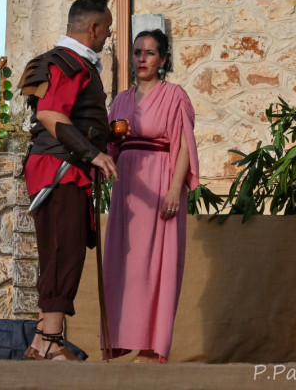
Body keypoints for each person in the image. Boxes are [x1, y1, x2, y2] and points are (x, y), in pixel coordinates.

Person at [17, 0, 119, 361]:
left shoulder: (75, 64)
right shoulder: (67, 63)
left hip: (66, 169)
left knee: (63, 250)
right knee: (64, 251)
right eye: (106, 29)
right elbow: (49, 114)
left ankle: (41, 339)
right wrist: (94, 153)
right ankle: (50, 341)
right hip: (60, 169)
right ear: (93, 28)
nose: (108, 36)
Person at [101, 29, 199, 364]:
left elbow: (184, 143)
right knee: (123, 264)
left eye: (150, 53)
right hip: (127, 188)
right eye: (137, 52)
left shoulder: (175, 96)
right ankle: (121, 342)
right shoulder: (121, 100)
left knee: (157, 265)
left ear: (164, 60)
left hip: (160, 185)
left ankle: (150, 345)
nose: (142, 59)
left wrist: (175, 187)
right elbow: (111, 148)